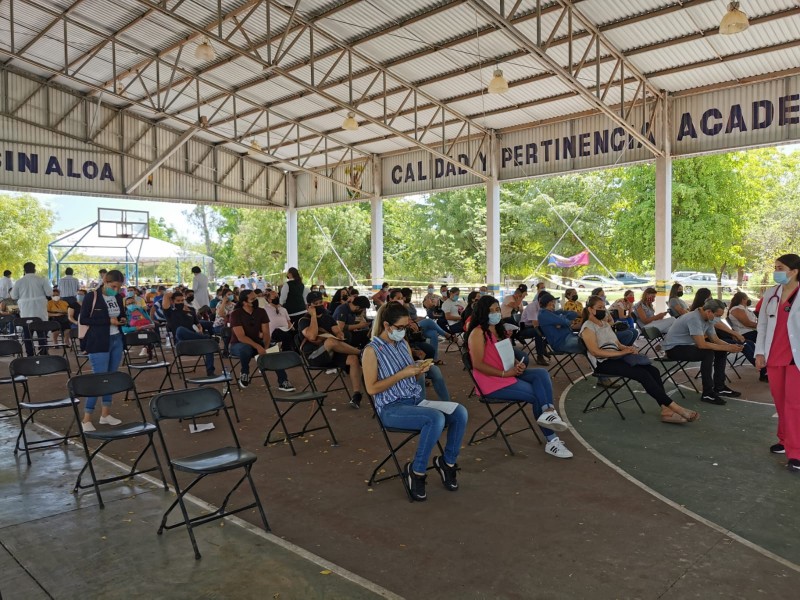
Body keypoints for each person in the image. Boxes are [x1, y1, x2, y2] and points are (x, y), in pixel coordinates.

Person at [362, 302, 468, 501]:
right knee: (435, 419)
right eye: (400, 328)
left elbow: (409, 370)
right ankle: (417, 471)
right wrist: (403, 374)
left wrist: (418, 367)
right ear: (386, 325)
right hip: (390, 408)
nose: (404, 331)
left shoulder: (402, 344)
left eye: (405, 327)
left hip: (414, 400)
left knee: (460, 412)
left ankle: (448, 463)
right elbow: (372, 388)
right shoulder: (371, 350)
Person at [468, 296, 573, 459]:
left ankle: (548, 411)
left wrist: (518, 363)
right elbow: (478, 365)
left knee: (542, 374)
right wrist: (505, 374)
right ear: (483, 313)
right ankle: (552, 441)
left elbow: (507, 353)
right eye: (491, 311)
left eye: (497, 310)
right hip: (491, 382)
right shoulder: (477, 333)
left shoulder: (498, 329)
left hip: (507, 373)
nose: (496, 313)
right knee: (536, 394)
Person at [580, 295, 699, 424]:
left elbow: (617, 344)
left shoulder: (604, 324)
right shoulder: (588, 327)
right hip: (603, 363)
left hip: (617, 357)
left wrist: (628, 348)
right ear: (590, 310)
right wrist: (622, 352)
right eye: (599, 308)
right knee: (642, 374)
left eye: (604, 307)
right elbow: (594, 351)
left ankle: (666, 409)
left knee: (653, 371)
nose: (604, 310)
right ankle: (676, 408)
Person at [755, 253, 800, 470]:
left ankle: (796, 452)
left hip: (795, 359)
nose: (776, 271)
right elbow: (762, 325)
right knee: (780, 402)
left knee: (794, 405)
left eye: (780, 267)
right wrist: (759, 353)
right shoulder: (771, 293)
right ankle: (784, 439)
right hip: (773, 356)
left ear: (794, 271)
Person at [663, 299, 744, 405]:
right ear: (709, 311)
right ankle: (708, 393)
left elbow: (715, 339)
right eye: (717, 315)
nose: (718, 319)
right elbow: (702, 344)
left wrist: (730, 346)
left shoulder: (708, 319)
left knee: (720, 350)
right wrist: (727, 347)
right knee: (708, 353)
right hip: (673, 349)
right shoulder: (694, 318)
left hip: (686, 345)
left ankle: (720, 387)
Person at [78, 270, 126, 431]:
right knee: (99, 379)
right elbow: (84, 318)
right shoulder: (92, 297)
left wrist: (122, 320)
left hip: (116, 339)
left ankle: (105, 414)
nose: (117, 290)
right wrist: (108, 321)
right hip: (98, 341)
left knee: (110, 378)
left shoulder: (118, 297)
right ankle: (86, 418)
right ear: (105, 281)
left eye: (119, 287)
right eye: (114, 286)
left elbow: (121, 314)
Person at [298, 291, 363, 408]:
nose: (319, 305)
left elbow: (338, 331)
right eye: (316, 303)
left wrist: (340, 335)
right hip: (314, 356)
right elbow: (312, 336)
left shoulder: (328, 317)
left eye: (320, 302)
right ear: (309, 306)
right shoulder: (304, 320)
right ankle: (361, 352)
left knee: (353, 359)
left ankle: (356, 395)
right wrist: (313, 315)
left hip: (331, 354)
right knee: (331, 341)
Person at [229, 290, 293, 392]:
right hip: (238, 345)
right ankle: (244, 372)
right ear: (244, 302)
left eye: (256, 298)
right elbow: (241, 337)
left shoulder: (261, 312)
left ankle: (283, 381)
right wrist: (258, 347)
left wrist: (266, 347)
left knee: (274, 350)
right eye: (253, 299)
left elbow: (266, 333)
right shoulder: (235, 314)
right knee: (246, 348)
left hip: (257, 343)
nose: (256, 300)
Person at [163, 290, 218, 377]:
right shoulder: (170, 312)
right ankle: (207, 338)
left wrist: (200, 329)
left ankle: (210, 371)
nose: (180, 302)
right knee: (180, 330)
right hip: (181, 342)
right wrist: (170, 295)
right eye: (178, 301)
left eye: (182, 300)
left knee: (208, 344)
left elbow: (199, 324)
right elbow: (166, 298)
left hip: (194, 339)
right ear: (172, 301)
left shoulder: (191, 310)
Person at [10, 262, 52, 356]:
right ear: (35, 269)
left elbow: (13, 296)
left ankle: (30, 354)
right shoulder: (42, 279)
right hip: (40, 311)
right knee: (41, 333)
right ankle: (44, 353)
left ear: (24, 270)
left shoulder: (19, 281)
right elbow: (49, 293)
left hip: (26, 311)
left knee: (27, 333)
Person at [728, 291, 764, 380]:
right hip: (744, 333)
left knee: (769, 341)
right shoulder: (736, 309)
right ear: (743, 299)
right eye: (747, 298)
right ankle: (764, 370)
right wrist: (762, 326)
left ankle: (767, 367)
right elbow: (747, 323)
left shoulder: (744, 308)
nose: (748, 300)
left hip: (751, 332)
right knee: (767, 341)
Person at [264, 288, 294, 352]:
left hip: (286, 330)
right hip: (274, 332)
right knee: (285, 335)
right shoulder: (265, 310)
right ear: (269, 300)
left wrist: (293, 329)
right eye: (274, 297)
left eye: (277, 296)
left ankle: (292, 352)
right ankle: (287, 353)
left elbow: (289, 322)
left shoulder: (283, 309)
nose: (277, 298)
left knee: (295, 333)